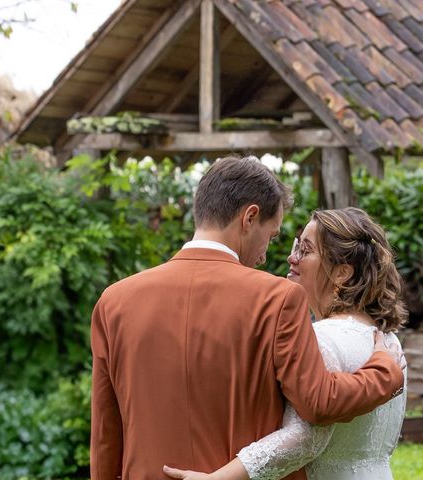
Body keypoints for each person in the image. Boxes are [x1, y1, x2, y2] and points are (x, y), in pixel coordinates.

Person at [90, 156, 405, 480]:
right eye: (271, 236)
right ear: (250, 217)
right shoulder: (277, 299)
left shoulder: (113, 302)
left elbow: (105, 436)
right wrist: (385, 370)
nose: (267, 255)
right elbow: (318, 402)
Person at [164, 207, 408, 480]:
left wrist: (217, 478)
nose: (292, 257)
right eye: (296, 245)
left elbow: (305, 439)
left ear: (341, 273)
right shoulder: (387, 340)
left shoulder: (321, 338)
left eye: (305, 250)